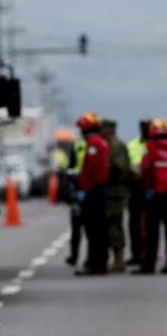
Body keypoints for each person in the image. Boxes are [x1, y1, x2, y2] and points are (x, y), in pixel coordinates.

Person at [74, 112, 111, 276]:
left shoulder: (94, 145)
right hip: (99, 190)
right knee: (99, 230)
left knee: (94, 230)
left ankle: (95, 263)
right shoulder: (101, 143)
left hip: (94, 192)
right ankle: (99, 263)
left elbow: (91, 170)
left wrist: (83, 188)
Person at [134, 118, 167, 274]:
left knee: (151, 232)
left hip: (154, 196)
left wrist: (146, 188)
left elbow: (146, 169)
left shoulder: (151, 147)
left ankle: (149, 265)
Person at [101, 119, 132, 273]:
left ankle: (119, 259)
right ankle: (116, 259)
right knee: (111, 226)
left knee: (114, 226)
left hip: (115, 192)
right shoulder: (110, 145)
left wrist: (106, 173)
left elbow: (120, 167)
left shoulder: (116, 145)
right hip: (111, 192)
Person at [126, 119, 151, 265]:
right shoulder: (132, 145)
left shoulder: (156, 144)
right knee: (134, 224)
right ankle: (136, 254)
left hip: (152, 188)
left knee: (149, 226)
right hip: (135, 188)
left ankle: (148, 254)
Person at [65, 138, 87, 266]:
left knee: (91, 229)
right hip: (79, 187)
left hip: (90, 189)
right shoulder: (77, 144)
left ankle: (93, 257)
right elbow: (70, 169)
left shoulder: (97, 144)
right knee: (76, 227)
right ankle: (74, 255)